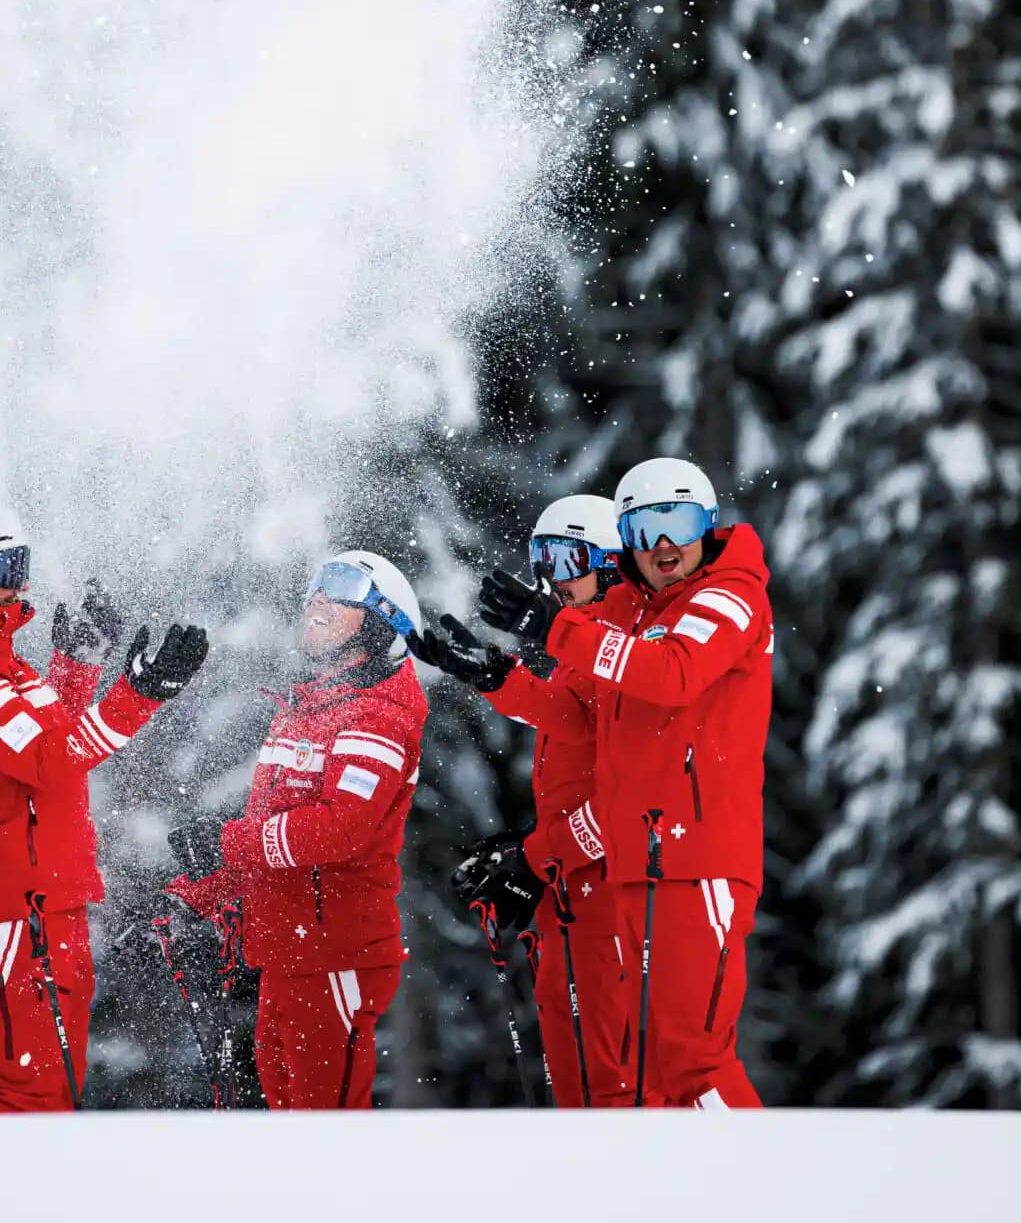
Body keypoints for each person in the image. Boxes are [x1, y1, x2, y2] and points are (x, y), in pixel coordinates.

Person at [419, 458, 771, 1109]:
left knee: (686, 1065)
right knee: (655, 1074)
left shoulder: (727, 593)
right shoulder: (631, 624)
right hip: (646, 862)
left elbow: (676, 673)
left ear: (710, 524)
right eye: (646, 530)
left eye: (681, 522)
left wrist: (535, 857)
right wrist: (495, 676)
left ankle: (764, 1192)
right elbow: (579, 714)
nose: (665, 545)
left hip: (694, 857)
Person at [0, 494, 209, 1112]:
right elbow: (49, 762)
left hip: (47, 895)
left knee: (53, 1088)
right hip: (15, 900)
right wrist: (139, 695)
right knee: (27, 1091)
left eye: (21, 564)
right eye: (5, 571)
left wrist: (76, 667)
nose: (22, 584)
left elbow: (44, 740)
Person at [167, 550, 430, 1110]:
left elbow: (339, 830)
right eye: (316, 589)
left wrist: (224, 840)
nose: (317, 601)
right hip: (287, 954)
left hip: (336, 952)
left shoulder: (378, 714)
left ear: (382, 621)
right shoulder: (304, 712)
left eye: (342, 592)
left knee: (324, 1128)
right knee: (291, 1126)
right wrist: (198, 901)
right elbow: (271, 841)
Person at [428, 495, 635, 1108]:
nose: (551, 578)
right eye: (540, 559)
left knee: (610, 1078)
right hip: (568, 891)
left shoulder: (624, 650)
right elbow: (570, 723)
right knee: (571, 1079)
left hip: (608, 894)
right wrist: (495, 676)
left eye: (568, 559)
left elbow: (625, 801)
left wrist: (535, 856)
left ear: (613, 565)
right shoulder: (584, 654)